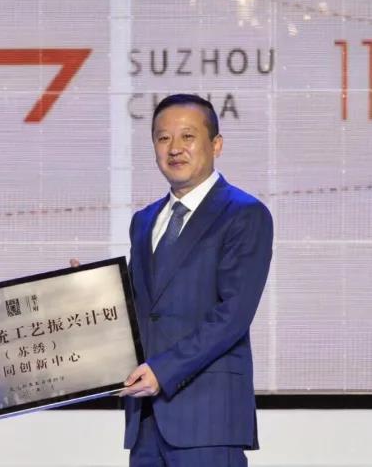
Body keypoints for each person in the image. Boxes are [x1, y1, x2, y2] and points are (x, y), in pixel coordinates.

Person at [121, 94, 273, 466]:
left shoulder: (244, 214)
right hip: (146, 423)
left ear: (216, 144)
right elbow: (143, 308)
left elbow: (233, 315)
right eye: (163, 138)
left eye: (187, 136)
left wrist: (163, 371)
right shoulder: (144, 221)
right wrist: (91, 297)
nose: (174, 148)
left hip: (208, 420)